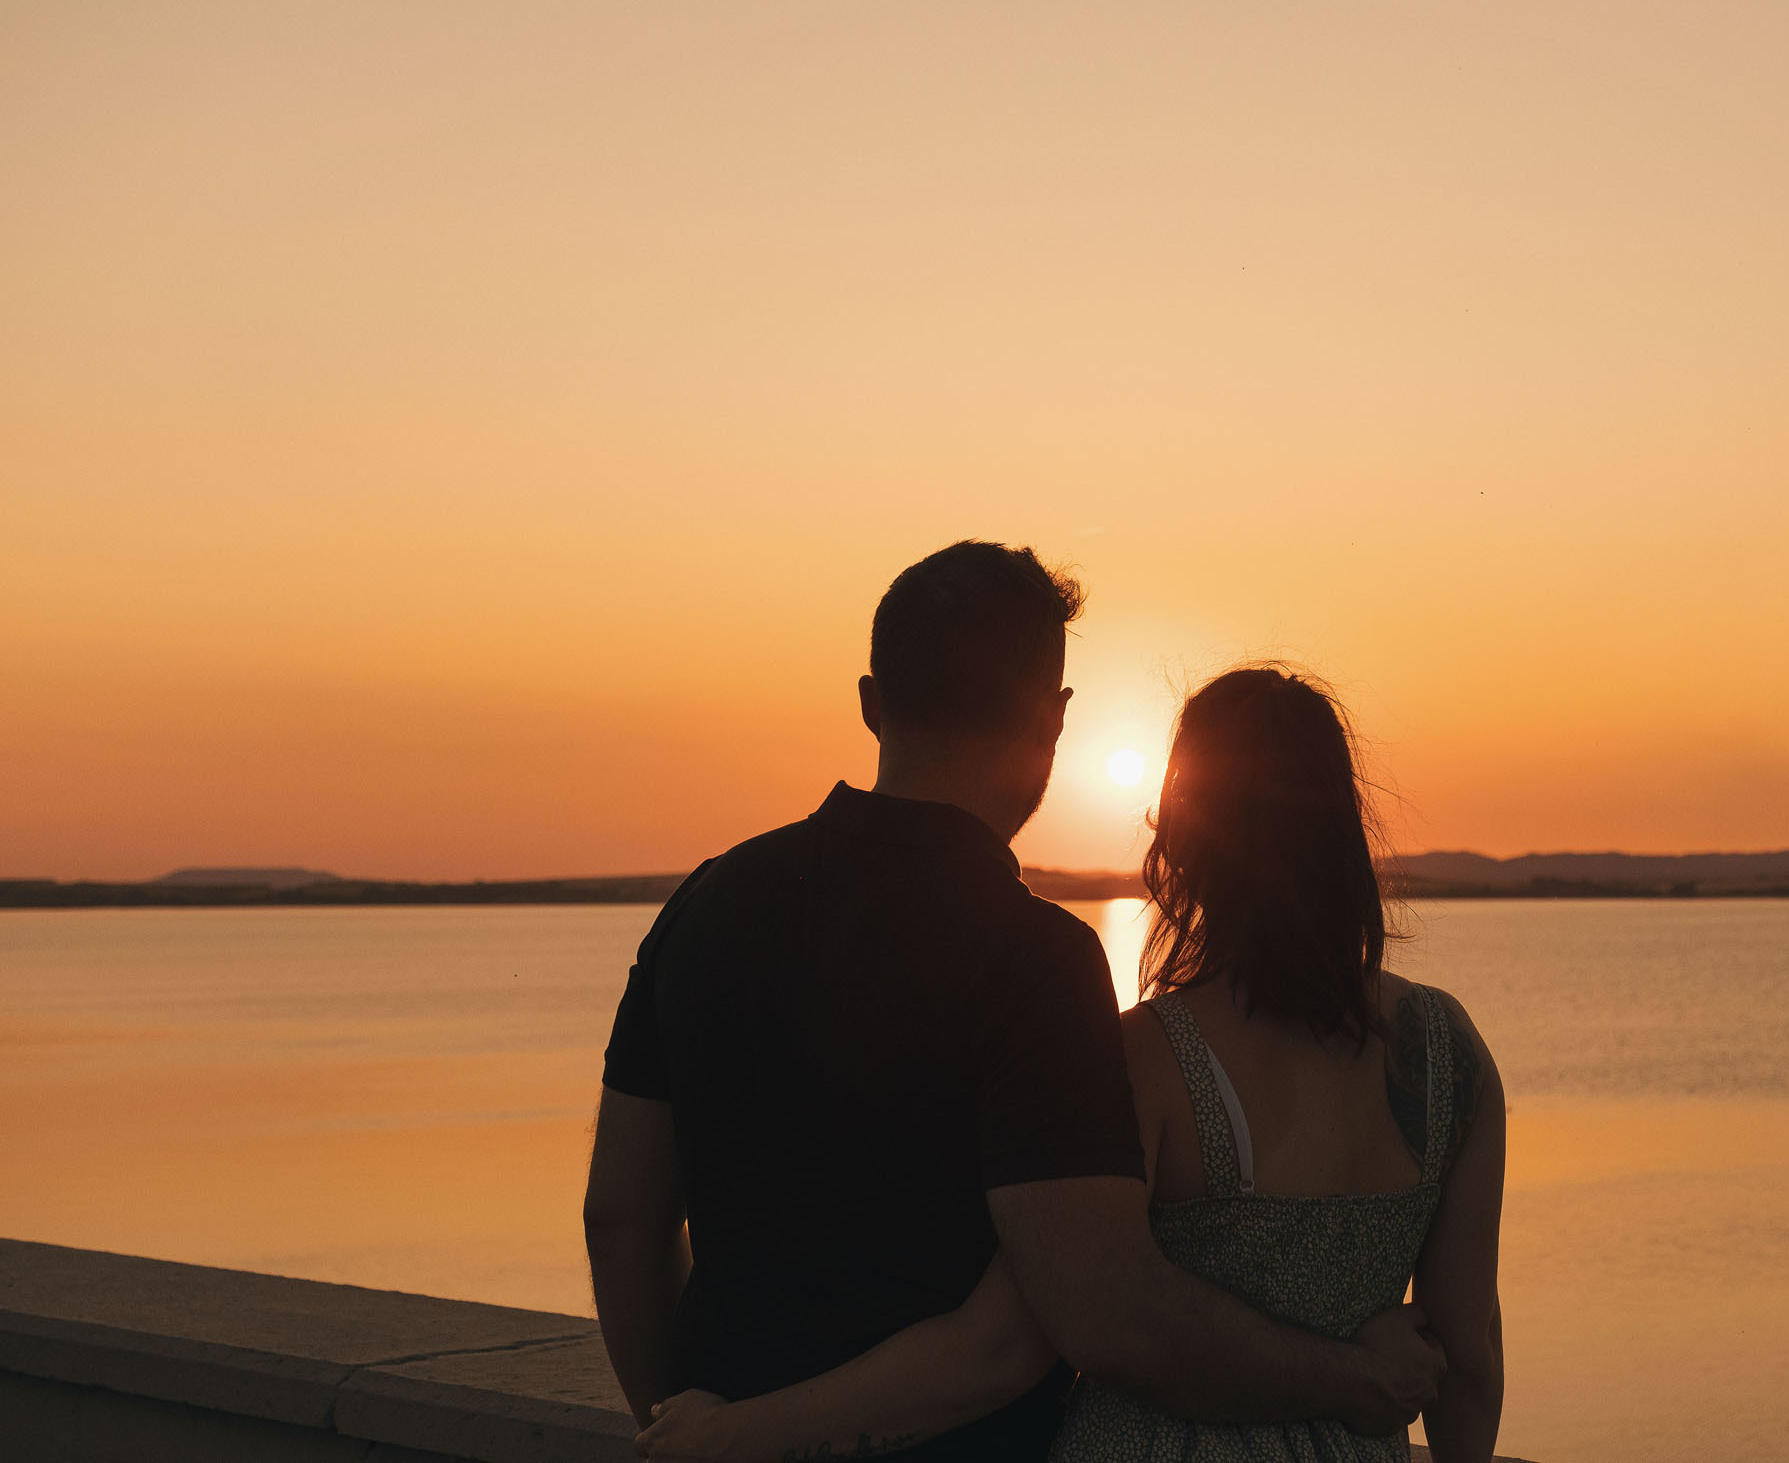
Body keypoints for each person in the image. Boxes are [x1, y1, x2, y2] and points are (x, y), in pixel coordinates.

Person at [585, 543, 1447, 1463]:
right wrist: (1352, 1379)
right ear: (1054, 716)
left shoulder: (706, 904)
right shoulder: (1038, 962)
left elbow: (623, 1220)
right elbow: (1076, 1322)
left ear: (873, 702)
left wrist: (685, 1426)